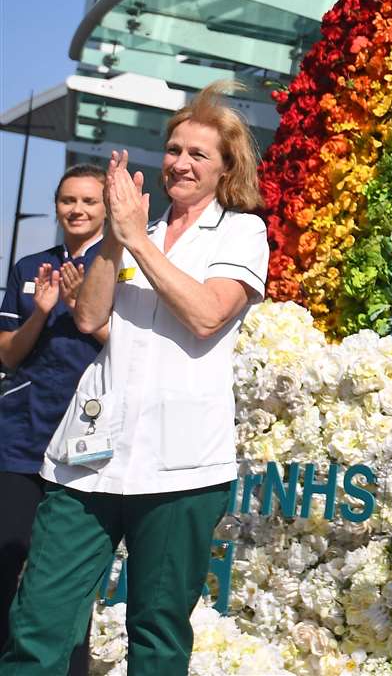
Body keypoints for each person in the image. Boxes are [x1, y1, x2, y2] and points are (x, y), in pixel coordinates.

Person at [0, 82, 269, 676]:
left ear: (226, 168)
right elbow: (91, 316)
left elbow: (205, 315)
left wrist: (138, 241)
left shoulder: (241, 232)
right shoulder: (129, 232)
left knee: (157, 631)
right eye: (173, 149)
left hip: (180, 466)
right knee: (39, 619)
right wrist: (112, 242)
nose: (180, 163)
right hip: (88, 459)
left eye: (198, 154)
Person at [0, 164, 108, 676]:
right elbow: (7, 356)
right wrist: (42, 311)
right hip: (20, 440)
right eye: (69, 200)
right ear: (58, 205)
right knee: (7, 561)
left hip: (85, 445)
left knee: (69, 577)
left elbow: (131, 351)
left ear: (106, 208)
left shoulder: (120, 267)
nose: (78, 210)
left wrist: (83, 307)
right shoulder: (28, 267)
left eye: (89, 200)